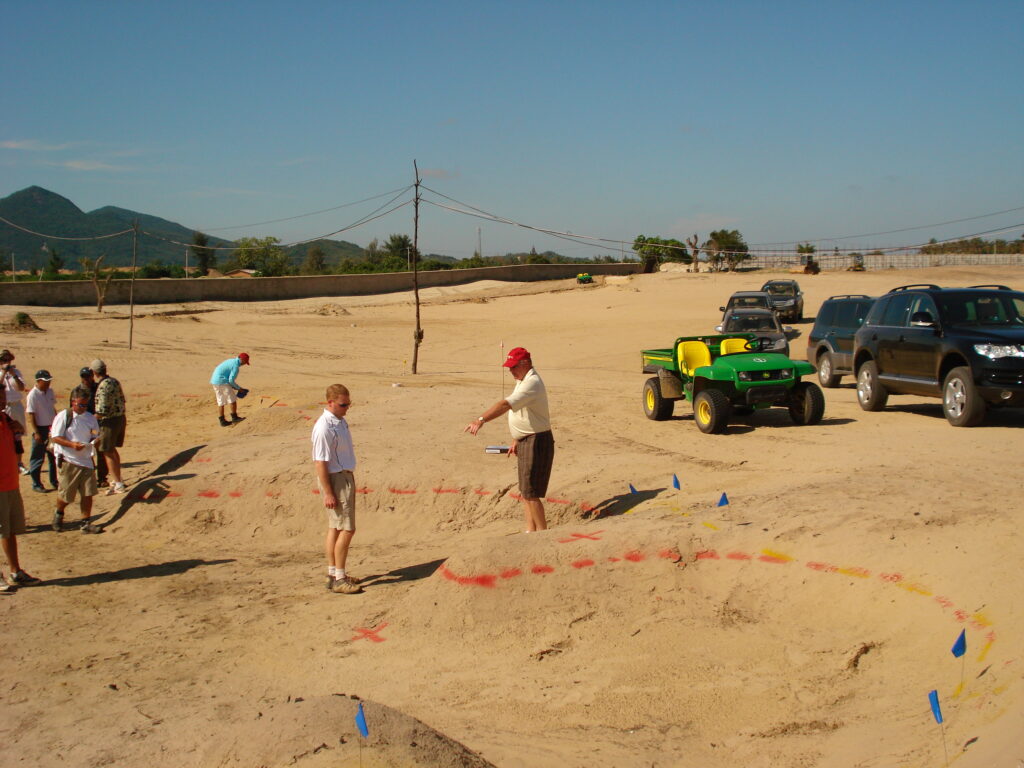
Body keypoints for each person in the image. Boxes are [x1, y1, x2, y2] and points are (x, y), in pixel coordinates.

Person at [465, 347, 554, 532]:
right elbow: (525, 413)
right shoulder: (522, 380)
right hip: (526, 439)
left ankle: (543, 534)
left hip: (537, 440)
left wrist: (481, 420)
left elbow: (505, 404)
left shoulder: (532, 382)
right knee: (525, 491)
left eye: (513, 367)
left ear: (525, 364)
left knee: (531, 493)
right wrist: (517, 439)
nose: (510, 371)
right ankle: (530, 530)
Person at [312, 384, 362, 595]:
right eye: (343, 404)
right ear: (330, 402)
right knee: (347, 528)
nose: (346, 408)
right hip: (336, 479)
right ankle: (340, 577)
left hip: (343, 476)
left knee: (335, 527)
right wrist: (329, 492)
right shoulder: (324, 428)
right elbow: (320, 462)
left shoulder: (340, 421)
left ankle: (333, 573)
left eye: (348, 404)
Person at [0, 386, 39, 593]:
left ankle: (16, 571)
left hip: (11, 485)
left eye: (3, 398)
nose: (2, 402)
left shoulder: (6, 421)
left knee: (10, 531)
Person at [50, 386, 102, 533]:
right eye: (81, 405)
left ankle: (85, 523)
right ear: (73, 402)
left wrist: (95, 440)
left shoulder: (90, 418)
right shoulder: (63, 416)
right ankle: (59, 513)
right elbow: (56, 437)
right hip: (68, 461)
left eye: (86, 405)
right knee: (66, 495)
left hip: (86, 460)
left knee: (88, 493)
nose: (83, 408)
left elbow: (95, 434)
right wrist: (72, 444)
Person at [91, 359, 127, 495]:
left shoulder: (103, 386)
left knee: (107, 451)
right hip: (120, 418)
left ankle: (118, 483)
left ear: (94, 372)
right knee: (112, 450)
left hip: (109, 422)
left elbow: (102, 410)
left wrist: (90, 420)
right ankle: (118, 479)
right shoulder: (114, 381)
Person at [73, 366, 106, 486]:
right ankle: (90, 476)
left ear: (92, 376)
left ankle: (102, 478)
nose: (86, 379)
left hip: (97, 424)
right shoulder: (77, 391)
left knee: (100, 449)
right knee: (87, 449)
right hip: (84, 425)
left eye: (88, 376)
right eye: (84, 377)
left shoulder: (98, 388)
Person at [25, 369, 58, 493]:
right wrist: (36, 432)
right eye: (45, 381)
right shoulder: (32, 395)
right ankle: (36, 483)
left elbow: (52, 408)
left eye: (49, 380)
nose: (48, 383)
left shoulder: (50, 392)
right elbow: (31, 415)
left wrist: (56, 425)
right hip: (40, 428)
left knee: (53, 456)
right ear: (38, 381)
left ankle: (54, 481)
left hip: (51, 428)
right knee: (37, 457)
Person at [0, 350, 28, 474]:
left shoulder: (16, 372)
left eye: (8, 360)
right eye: (4, 360)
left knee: (18, 434)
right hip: (3, 407)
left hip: (16, 405)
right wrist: (4, 373)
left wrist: (13, 375)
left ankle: (19, 463)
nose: (7, 362)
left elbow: (21, 388)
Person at [210, 353, 250, 427]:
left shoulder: (231, 361)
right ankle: (235, 418)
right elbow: (231, 380)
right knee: (232, 400)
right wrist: (239, 388)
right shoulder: (235, 366)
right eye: (245, 362)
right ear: (242, 360)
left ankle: (222, 421)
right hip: (222, 381)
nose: (244, 364)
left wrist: (233, 386)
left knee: (220, 402)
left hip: (214, 381)